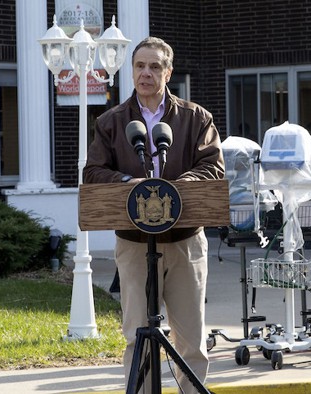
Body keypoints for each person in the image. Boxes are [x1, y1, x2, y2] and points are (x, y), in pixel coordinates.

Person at [83, 36, 224, 393]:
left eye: (155, 66)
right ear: (131, 71)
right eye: (140, 66)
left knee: (190, 340)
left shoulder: (196, 118)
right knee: (137, 338)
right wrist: (131, 183)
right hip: (133, 245)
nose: (146, 73)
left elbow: (212, 168)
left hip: (184, 243)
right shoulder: (111, 122)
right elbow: (94, 172)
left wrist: (177, 189)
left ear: (168, 72)